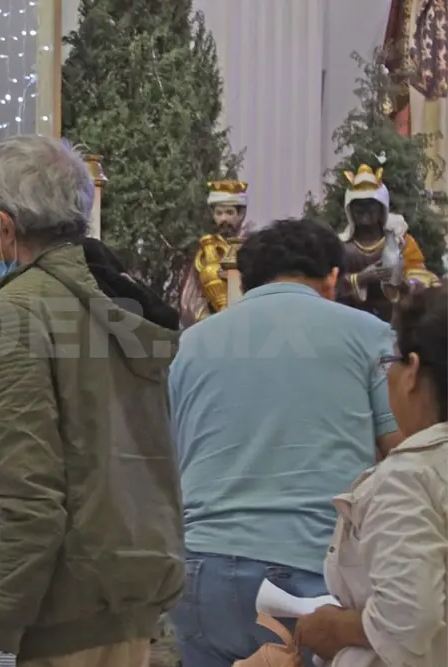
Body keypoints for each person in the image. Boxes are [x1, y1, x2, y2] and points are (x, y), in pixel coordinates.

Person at [0, 135, 184, 667]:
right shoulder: (116, 302)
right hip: (118, 597)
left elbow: (31, 501)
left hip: (46, 623)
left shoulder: (17, 312)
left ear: (7, 225)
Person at [168, 218, 405, 667]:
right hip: (306, 577)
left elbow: (176, 455)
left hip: (201, 574)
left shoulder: (194, 342)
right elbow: (400, 448)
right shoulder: (367, 333)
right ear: (332, 279)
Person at [295, 286, 448, 666]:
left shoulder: (408, 477)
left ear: (411, 370)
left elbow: (409, 619)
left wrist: (333, 628)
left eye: (389, 363)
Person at [336, 164, 439, 322]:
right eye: (359, 207)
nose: (365, 213)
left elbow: (424, 279)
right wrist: (361, 278)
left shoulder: (401, 242)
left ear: (382, 208)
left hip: (394, 322)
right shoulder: (341, 247)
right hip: (352, 321)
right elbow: (328, 286)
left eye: (371, 206)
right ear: (350, 209)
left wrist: (404, 283)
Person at [178, 180, 251, 329]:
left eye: (229, 212)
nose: (223, 219)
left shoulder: (253, 248)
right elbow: (190, 299)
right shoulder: (205, 253)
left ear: (241, 214)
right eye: (219, 213)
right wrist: (209, 321)